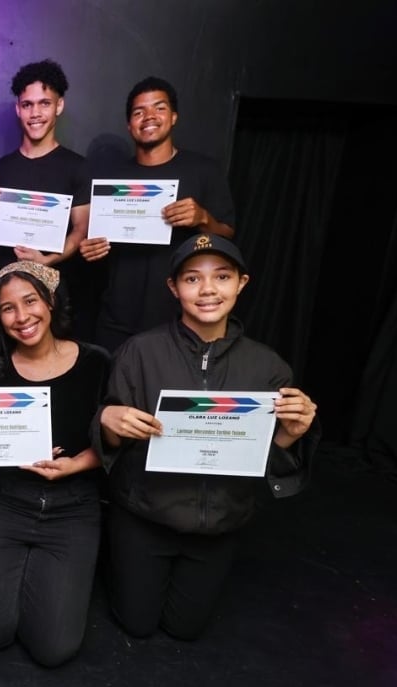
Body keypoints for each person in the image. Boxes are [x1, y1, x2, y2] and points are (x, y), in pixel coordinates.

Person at [95, 233, 318, 640]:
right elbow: (112, 443)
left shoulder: (269, 368)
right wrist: (108, 423)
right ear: (174, 288)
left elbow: (265, 461)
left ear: (242, 283)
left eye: (222, 276)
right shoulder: (138, 352)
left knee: (186, 629)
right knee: (136, 623)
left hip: (219, 523)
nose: (208, 290)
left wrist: (290, 435)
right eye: (192, 279)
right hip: (146, 515)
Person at [0, 261, 111, 667]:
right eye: (8, 308)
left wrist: (74, 466)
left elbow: (113, 443)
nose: (22, 317)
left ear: (50, 302)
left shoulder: (97, 363)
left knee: (54, 649)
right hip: (6, 502)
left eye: (30, 301)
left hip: (72, 508)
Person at [82, 76, 237, 354]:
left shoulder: (203, 171)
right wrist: (91, 249)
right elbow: (95, 243)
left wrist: (203, 218)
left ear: (174, 116)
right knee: (115, 395)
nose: (149, 117)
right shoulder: (112, 179)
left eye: (159, 108)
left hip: (179, 318)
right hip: (117, 320)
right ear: (129, 124)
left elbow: (228, 236)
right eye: (139, 112)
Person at [0, 60, 96, 338]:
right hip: (7, 295)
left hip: (56, 293)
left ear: (59, 106)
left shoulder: (77, 167)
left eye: (44, 103)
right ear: (18, 108)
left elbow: (81, 230)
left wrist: (46, 261)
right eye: (27, 105)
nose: (35, 113)